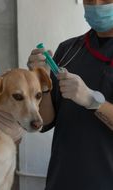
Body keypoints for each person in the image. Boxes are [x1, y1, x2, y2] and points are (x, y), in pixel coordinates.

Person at [28, 0, 113, 189]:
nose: (97, 5)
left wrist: (93, 101)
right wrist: (41, 82)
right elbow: (46, 120)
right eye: (90, 0)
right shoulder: (69, 49)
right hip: (62, 179)